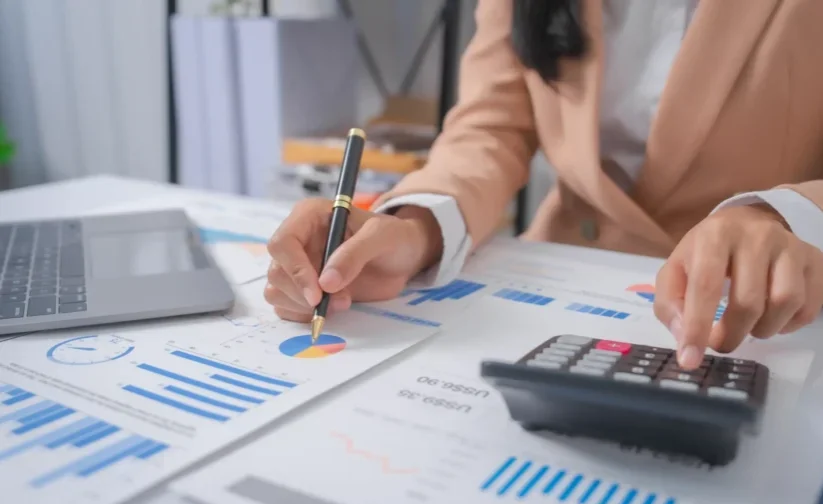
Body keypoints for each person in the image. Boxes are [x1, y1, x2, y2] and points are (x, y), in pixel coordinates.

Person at [265, 0, 823, 370]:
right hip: (556, 284)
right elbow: (491, 124)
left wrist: (782, 215)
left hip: (756, 311)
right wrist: (411, 228)